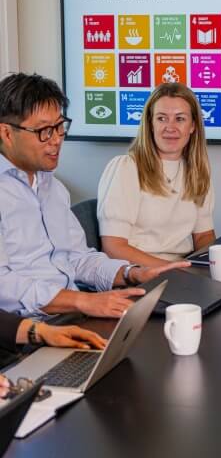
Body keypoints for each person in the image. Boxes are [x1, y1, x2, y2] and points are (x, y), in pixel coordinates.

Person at [0, 72, 187, 319]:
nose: (56, 140)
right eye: (45, 130)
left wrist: (131, 273)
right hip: (25, 332)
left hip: (71, 316)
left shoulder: (53, 188)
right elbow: (4, 286)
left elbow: (78, 259)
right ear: (7, 133)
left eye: (59, 126)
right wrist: (82, 301)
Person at [97, 84, 216, 266]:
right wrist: (173, 270)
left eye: (180, 119)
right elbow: (114, 248)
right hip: (139, 273)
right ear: (150, 124)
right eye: (162, 118)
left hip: (184, 272)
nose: (171, 127)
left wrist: (212, 267)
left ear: (193, 126)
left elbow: (204, 236)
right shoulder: (126, 168)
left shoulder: (197, 171)